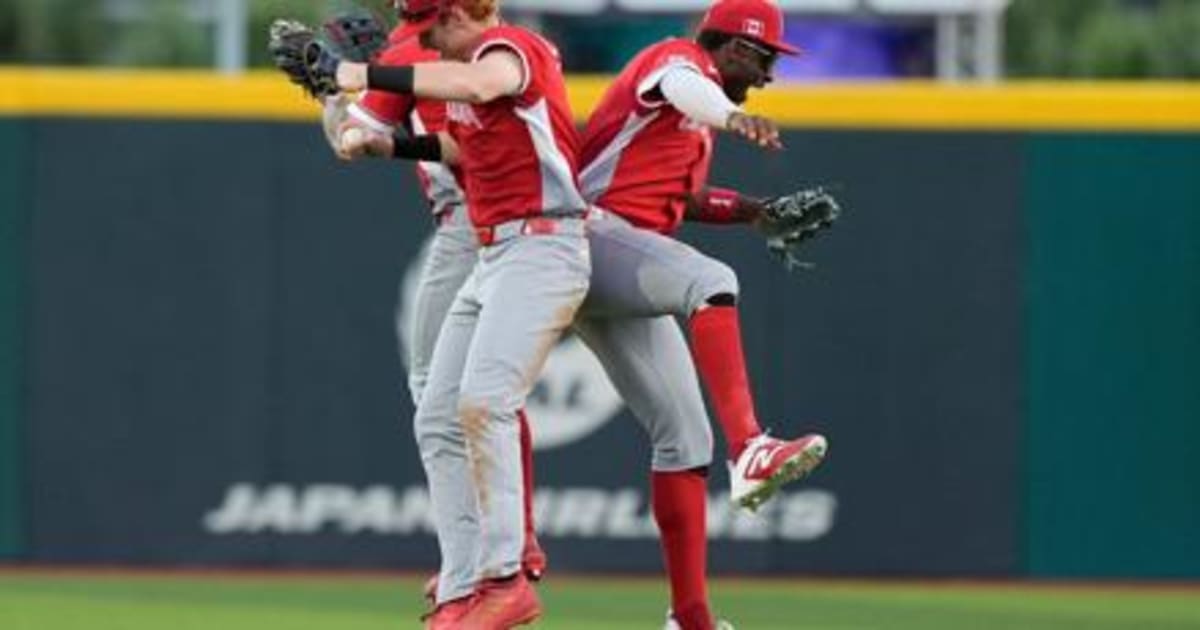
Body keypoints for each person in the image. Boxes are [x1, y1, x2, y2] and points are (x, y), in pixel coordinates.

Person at [327, 1, 592, 626]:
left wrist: (364, 77)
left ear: (457, 13)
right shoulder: (468, 69)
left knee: (482, 402)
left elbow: (480, 82)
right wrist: (387, 143)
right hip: (495, 251)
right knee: (439, 416)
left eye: (432, 29)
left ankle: (505, 576)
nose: (429, 44)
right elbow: (458, 145)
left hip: (544, 243)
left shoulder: (514, 50)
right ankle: (464, 585)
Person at [576, 1, 834, 625]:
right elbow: (676, 83)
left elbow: (683, 200)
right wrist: (733, 115)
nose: (769, 74)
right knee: (712, 281)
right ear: (737, 48)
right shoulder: (680, 62)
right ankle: (750, 449)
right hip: (581, 237)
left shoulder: (694, 118)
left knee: (685, 440)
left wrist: (753, 211)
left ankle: (690, 618)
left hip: (618, 257)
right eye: (766, 57)